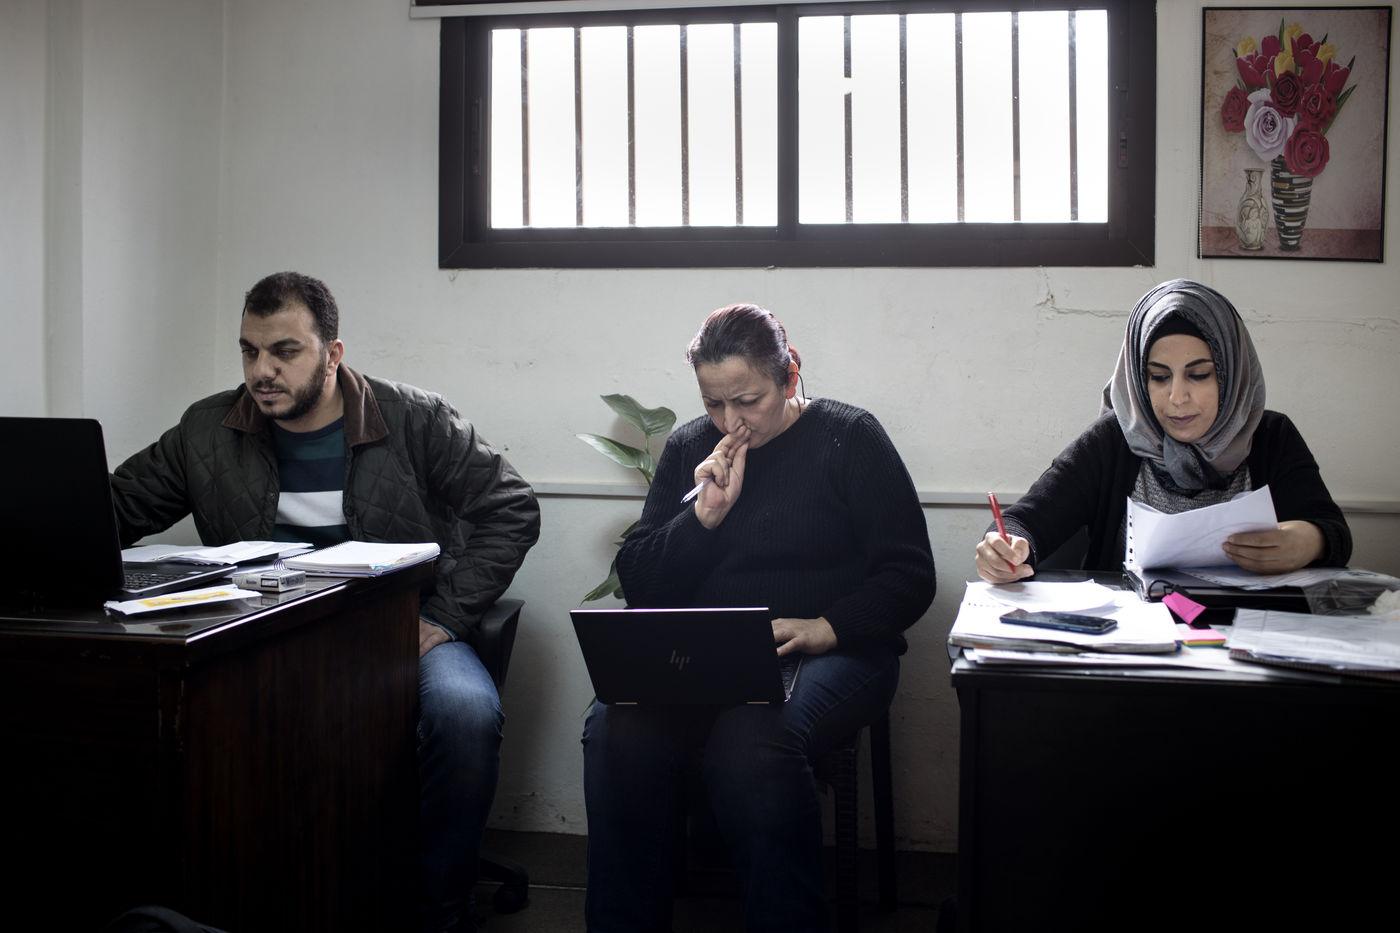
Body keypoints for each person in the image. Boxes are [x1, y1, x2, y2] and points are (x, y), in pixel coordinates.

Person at [109, 272, 541, 933]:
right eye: (250, 351)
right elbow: (114, 509)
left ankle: (440, 913)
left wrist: (445, 616)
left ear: (332, 353)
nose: (263, 371)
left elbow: (511, 508)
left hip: (397, 628)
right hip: (258, 634)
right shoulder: (206, 429)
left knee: (465, 715)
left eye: (284, 351)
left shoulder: (414, 417)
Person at [582, 304, 935, 932]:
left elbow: (910, 576)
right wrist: (703, 519)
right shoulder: (690, 445)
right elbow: (639, 583)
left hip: (836, 650)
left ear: (790, 376)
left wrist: (827, 627)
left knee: (751, 743)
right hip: (712, 655)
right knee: (616, 729)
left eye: (748, 400)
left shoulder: (848, 437)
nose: (730, 421)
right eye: (713, 403)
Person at [975, 278, 1350, 583]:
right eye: (1158, 377)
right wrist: (1005, 547)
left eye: (1199, 375)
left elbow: (1332, 531)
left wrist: (1309, 540)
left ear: (1231, 375)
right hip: (1133, 641)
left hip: (1249, 637)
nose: (1177, 398)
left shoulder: (1271, 437)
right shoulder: (1116, 439)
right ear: (1140, 381)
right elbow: (1026, 520)